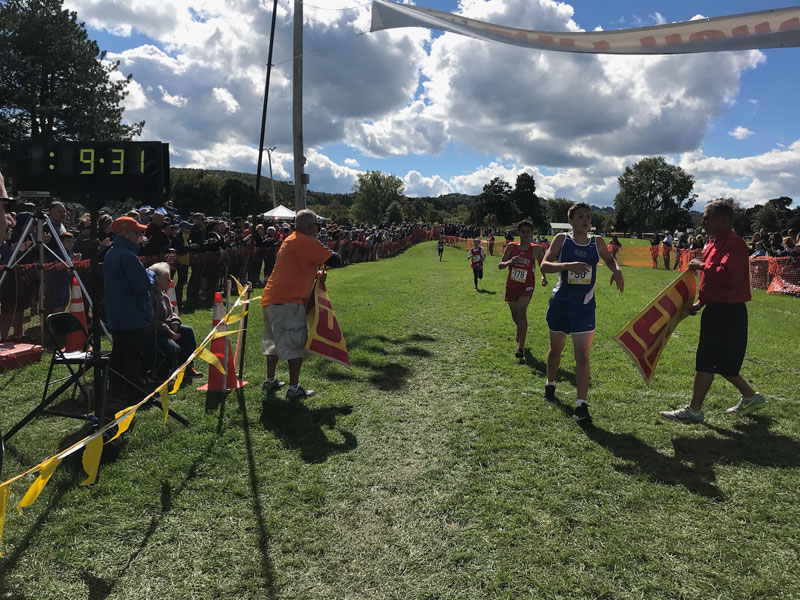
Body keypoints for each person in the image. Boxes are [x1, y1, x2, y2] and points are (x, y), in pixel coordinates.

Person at [660, 199, 766, 423]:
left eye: (706, 218)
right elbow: (712, 283)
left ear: (719, 219)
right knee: (721, 364)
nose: (703, 222)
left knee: (708, 361)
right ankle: (750, 397)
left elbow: (727, 276)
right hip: (717, 310)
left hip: (728, 313)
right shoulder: (713, 243)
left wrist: (701, 266)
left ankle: (694, 410)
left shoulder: (735, 244)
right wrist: (700, 303)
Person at [540, 203, 624, 425]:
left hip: (584, 307)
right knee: (555, 350)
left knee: (582, 356)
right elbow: (544, 265)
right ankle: (550, 385)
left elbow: (609, 259)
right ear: (571, 220)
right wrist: (567, 266)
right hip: (560, 305)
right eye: (580, 216)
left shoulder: (597, 242)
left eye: (588, 216)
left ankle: (581, 405)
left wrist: (617, 271)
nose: (585, 220)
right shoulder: (561, 239)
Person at [261, 209, 341, 399]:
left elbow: (297, 268)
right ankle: (294, 388)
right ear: (310, 226)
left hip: (271, 298)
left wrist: (317, 274)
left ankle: (270, 380)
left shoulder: (291, 239)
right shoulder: (307, 241)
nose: (318, 229)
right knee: (295, 344)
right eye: (317, 225)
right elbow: (336, 260)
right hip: (290, 301)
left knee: (272, 342)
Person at [102, 216, 156, 402]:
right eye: (137, 232)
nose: (141, 235)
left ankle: (116, 389)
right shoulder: (127, 256)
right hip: (132, 313)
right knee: (133, 355)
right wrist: (151, 274)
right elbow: (141, 284)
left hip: (117, 313)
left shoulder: (111, 253)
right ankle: (134, 392)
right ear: (126, 234)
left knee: (119, 353)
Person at [145, 262, 202, 382]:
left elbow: (172, 311)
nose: (170, 281)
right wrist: (169, 331)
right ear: (157, 280)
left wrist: (175, 322)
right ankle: (161, 376)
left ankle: (186, 368)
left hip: (167, 328)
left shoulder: (163, 293)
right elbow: (152, 321)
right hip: (155, 332)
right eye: (167, 279)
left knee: (187, 331)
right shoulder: (150, 295)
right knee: (172, 347)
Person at [498, 219, 547, 359]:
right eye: (523, 232)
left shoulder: (536, 248)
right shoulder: (511, 247)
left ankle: (521, 348)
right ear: (518, 233)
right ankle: (520, 329)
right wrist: (510, 262)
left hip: (527, 285)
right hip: (512, 285)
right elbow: (500, 265)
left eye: (528, 232)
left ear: (532, 233)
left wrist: (543, 277)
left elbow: (542, 264)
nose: (525, 235)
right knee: (515, 315)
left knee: (521, 311)